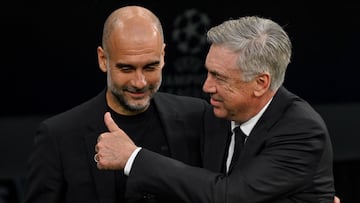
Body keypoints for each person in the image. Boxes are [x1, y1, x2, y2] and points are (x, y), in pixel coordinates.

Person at [95, 16, 337, 202]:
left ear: (260, 83)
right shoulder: (216, 114)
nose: (206, 86)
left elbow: (228, 196)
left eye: (219, 77)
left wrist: (133, 158)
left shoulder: (302, 131)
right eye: (208, 72)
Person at [24, 5, 216, 203]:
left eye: (150, 67)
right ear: (103, 59)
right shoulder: (58, 136)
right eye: (126, 68)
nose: (139, 82)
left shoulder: (196, 116)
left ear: (163, 56)